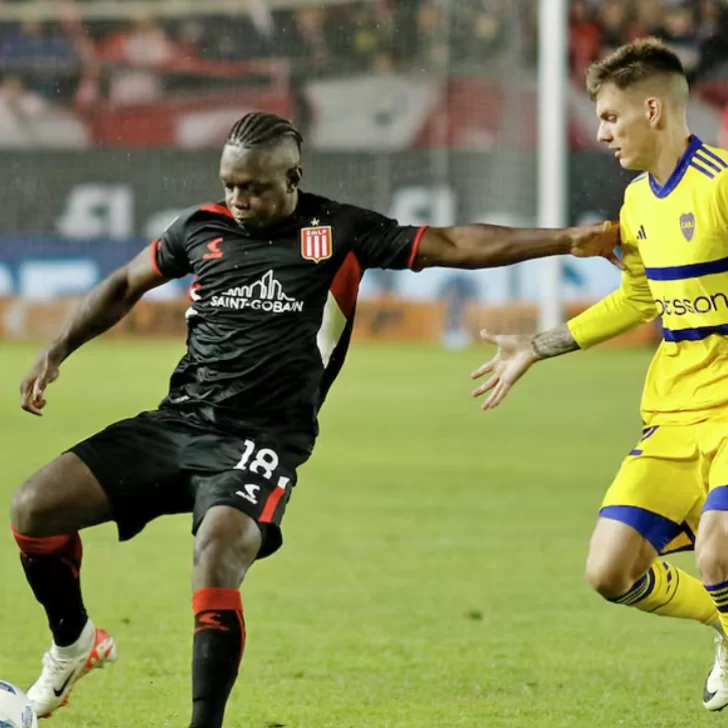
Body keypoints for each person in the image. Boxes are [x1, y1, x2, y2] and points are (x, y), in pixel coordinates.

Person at [11, 111, 619, 728]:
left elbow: (453, 244)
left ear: (293, 178)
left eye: (254, 188)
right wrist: (56, 351)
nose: (238, 199)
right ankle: (74, 646)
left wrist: (566, 240)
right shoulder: (199, 228)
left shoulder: (340, 230)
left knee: (217, 552)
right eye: (229, 184)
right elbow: (124, 283)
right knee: (34, 508)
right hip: (180, 422)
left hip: (262, 441)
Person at [471, 38, 728, 712]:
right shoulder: (638, 201)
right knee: (610, 570)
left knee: (718, 550)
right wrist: (539, 345)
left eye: (611, 117)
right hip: (673, 415)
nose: (601, 133)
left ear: (653, 110)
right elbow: (638, 299)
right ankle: (725, 624)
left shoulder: (722, 184)